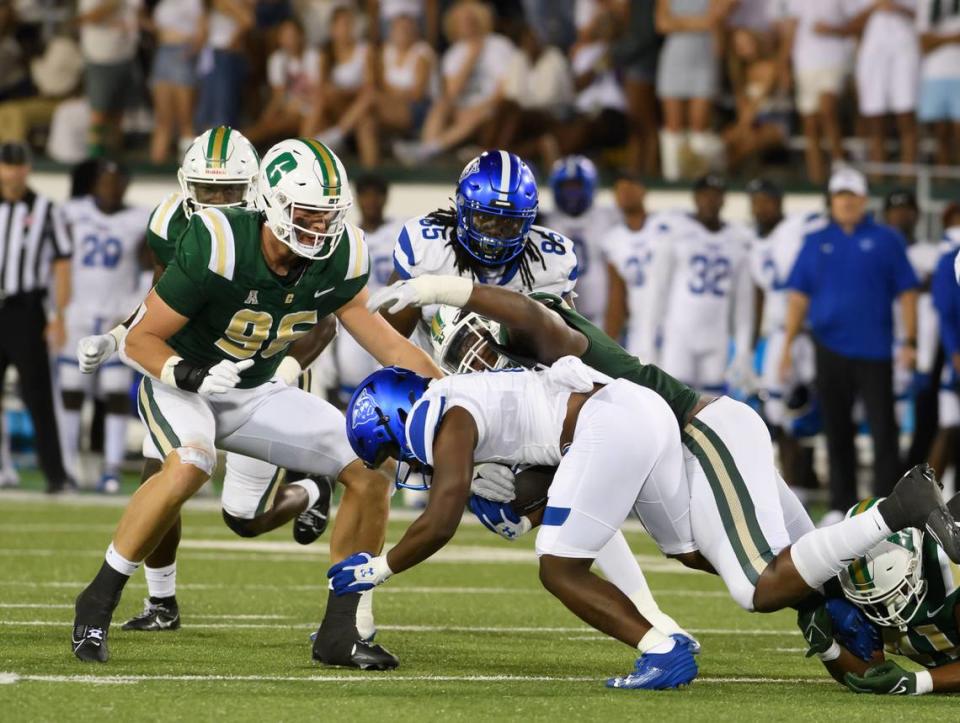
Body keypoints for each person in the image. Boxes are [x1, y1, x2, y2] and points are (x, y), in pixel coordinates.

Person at [361, 274, 960, 667]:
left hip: (700, 434)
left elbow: (531, 318)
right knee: (773, 570)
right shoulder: (523, 393)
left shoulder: (537, 332)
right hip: (685, 444)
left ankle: (900, 509)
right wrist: (511, 491)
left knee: (757, 586)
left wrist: (450, 289)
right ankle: (920, 560)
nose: (479, 365)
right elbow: (564, 483)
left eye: (483, 350)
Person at [69, 138, 442, 668]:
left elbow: (386, 344)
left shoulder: (342, 254)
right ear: (270, 202)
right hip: (182, 384)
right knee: (190, 464)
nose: (320, 227)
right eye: (306, 213)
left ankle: (340, 629)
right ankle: (100, 597)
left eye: (329, 215)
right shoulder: (217, 240)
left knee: (369, 466)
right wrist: (192, 373)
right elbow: (140, 339)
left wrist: (458, 397)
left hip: (257, 390)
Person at [77, 128, 335, 632]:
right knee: (163, 476)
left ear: (258, 190)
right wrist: (118, 336)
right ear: (185, 184)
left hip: (260, 376)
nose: (216, 202)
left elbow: (325, 318)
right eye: (207, 189)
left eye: (230, 192)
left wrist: (283, 369)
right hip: (191, 370)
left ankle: (312, 492)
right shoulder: (171, 224)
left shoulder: (291, 228)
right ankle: (161, 602)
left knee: (244, 519)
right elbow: (164, 301)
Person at [337, 356, 700, 690]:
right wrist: (527, 517)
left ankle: (660, 649)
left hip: (605, 423)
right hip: (640, 408)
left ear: (395, 414)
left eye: (391, 449)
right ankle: (750, 577)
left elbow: (440, 522)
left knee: (559, 568)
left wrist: (379, 568)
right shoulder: (460, 396)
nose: (403, 460)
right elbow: (555, 465)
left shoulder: (442, 414)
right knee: (690, 549)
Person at [781, 167, 919, 517]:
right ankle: (840, 504)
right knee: (836, 426)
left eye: (851, 195)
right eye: (839, 196)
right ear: (832, 200)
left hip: (874, 348)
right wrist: (786, 345)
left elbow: (907, 292)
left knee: (883, 428)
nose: (845, 202)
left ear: (862, 199)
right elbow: (799, 296)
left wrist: (910, 341)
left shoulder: (887, 239)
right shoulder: (816, 241)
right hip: (829, 347)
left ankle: (887, 504)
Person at [380, 150, 578, 350]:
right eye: (484, 218)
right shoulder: (427, 247)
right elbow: (390, 346)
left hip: (519, 379)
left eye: (509, 222)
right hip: (432, 375)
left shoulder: (553, 263)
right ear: (462, 208)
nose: (495, 232)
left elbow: (569, 352)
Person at [799, 494, 960, 696]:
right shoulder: (850, 579)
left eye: (899, 590)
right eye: (872, 601)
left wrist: (914, 682)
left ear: (916, 559)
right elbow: (870, 675)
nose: (885, 608)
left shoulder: (949, 564)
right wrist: (828, 649)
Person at [58, 160, 149, 493]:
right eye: (105, 181)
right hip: (77, 313)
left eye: (116, 182)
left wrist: (132, 310)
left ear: (125, 184)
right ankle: (67, 465)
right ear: (94, 184)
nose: (110, 188)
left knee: (114, 393)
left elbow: (147, 267)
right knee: (70, 391)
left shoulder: (139, 219)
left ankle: (110, 468)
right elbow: (58, 262)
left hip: (115, 317)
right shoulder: (71, 213)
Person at [0, 141, 73, 494]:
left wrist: (57, 315)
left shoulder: (45, 209)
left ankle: (55, 475)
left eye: (18, 166)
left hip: (24, 310)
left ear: (27, 168)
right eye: (7, 165)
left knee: (38, 395)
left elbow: (62, 264)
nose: (12, 172)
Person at [643, 174, 755, 395]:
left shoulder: (738, 239)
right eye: (706, 195)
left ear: (724, 200)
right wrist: (649, 337)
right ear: (695, 198)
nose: (711, 201)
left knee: (711, 405)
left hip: (717, 334)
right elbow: (658, 290)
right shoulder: (677, 232)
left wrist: (743, 349)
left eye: (716, 195)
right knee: (674, 400)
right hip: (679, 334)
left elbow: (744, 302)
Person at [747, 178, 825, 494]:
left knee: (815, 404)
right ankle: (794, 483)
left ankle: (809, 477)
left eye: (767, 200)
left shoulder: (800, 226)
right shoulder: (753, 244)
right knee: (777, 410)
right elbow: (759, 295)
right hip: (780, 331)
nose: (761, 207)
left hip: (812, 329)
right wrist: (752, 343)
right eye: (756, 201)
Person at [393, 0, 515, 166]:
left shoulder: (499, 45)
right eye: (462, 21)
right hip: (462, 108)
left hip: (491, 107)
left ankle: (430, 149)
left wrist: (478, 108)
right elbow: (452, 93)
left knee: (478, 114)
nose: (467, 25)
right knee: (442, 104)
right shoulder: (454, 53)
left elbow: (505, 88)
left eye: (471, 19)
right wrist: (471, 58)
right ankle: (427, 148)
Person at [883, 189, 941, 468]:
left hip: (923, 346)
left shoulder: (931, 253)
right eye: (894, 210)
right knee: (886, 419)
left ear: (916, 214)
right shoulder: (878, 252)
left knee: (925, 417)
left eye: (906, 209)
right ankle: (889, 479)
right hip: (886, 343)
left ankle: (915, 478)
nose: (900, 215)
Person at [655, 0, 735, 181]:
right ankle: (672, 177)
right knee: (673, 127)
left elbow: (716, 18)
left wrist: (680, 23)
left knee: (699, 126)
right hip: (674, 58)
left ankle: (700, 178)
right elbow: (662, 23)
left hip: (704, 58)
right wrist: (700, 22)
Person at [779, 1, 854, 184]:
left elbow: (858, 22)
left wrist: (834, 30)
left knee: (827, 110)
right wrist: (784, 65)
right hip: (804, 64)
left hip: (834, 61)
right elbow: (791, 30)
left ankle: (839, 167)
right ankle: (816, 178)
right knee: (810, 125)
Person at [544, 156, 620, 326]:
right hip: (560, 316)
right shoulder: (545, 221)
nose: (572, 193)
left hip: (601, 314)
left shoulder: (608, 217)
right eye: (566, 187)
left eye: (576, 186)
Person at [603, 172, 671, 359]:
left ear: (643, 191)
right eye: (620, 189)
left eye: (631, 187)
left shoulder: (668, 224)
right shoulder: (613, 240)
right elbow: (617, 297)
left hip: (674, 321)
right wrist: (608, 344)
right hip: (640, 327)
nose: (626, 193)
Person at [852, 1, 919, 177]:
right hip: (873, 51)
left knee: (906, 114)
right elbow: (851, 22)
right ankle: (877, 175)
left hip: (905, 47)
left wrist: (898, 7)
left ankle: (907, 175)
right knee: (874, 117)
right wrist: (876, 6)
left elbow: (927, 19)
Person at [303, 5, 374, 160]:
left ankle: (337, 135)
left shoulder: (364, 50)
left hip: (357, 106)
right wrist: (338, 92)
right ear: (333, 29)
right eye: (343, 25)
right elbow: (321, 89)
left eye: (350, 24)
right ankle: (301, 151)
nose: (347, 29)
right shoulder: (325, 54)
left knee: (366, 115)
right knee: (319, 104)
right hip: (334, 106)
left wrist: (342, 91)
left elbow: (369, 87)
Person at [75, 0, 143, 156]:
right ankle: (94, 160)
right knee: (99, 113)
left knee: (118, 114)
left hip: (126, 56)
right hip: (101, 58)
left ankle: (113, 159)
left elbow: (137, 13)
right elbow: (89, 17)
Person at [146, 0, 206, 163]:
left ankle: (190, 168)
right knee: (162, 119)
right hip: (162, 55)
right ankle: (156, 164)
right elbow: (158, 31)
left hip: (182, 54)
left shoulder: (193, 2)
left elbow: (202, 31)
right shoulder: (163, 4)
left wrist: (190, 53)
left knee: (185, 119)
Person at [244, 18, 319, 148]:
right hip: (288, 110)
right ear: (280, 39)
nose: (290, 40)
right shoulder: (276, 60)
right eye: (285, 36)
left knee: (289, 120)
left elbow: (318, 92)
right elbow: (278, 97)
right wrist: (266, 118)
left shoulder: (313, 56)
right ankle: (239, 141)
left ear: (301, 36)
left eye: (293, 35)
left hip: (311, 109)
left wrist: (300, 103)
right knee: (269, 124)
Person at [194, 0, 254, 130]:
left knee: (222, 110)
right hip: (213, 56)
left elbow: (247, 21)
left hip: (224, 57)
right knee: (210, 107)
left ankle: (221, 147)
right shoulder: (210, 6)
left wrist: (232, 41)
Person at [916, 0, 960, 168]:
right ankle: (943, 178)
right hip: (933, 74)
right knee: (939, 132)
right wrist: (954, 37)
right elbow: (924, 43)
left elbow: (929, 40)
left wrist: (938, 39)